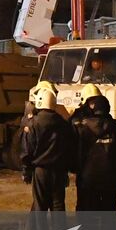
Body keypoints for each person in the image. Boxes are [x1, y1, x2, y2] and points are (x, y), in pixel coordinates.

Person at [20, 82, 75, 212]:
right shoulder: (63, 123)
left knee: (40, 205)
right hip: (59, 170)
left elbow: (27, 149)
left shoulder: (33, 123)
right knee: (58, 205)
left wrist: (26, 170)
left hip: (41, 171)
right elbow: (69, 148)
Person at [75, 87, 116, 211]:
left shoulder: (82, 127)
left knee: (87, 212)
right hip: (110, 178)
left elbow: (77, 153)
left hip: (87, 178)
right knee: (109, 211)